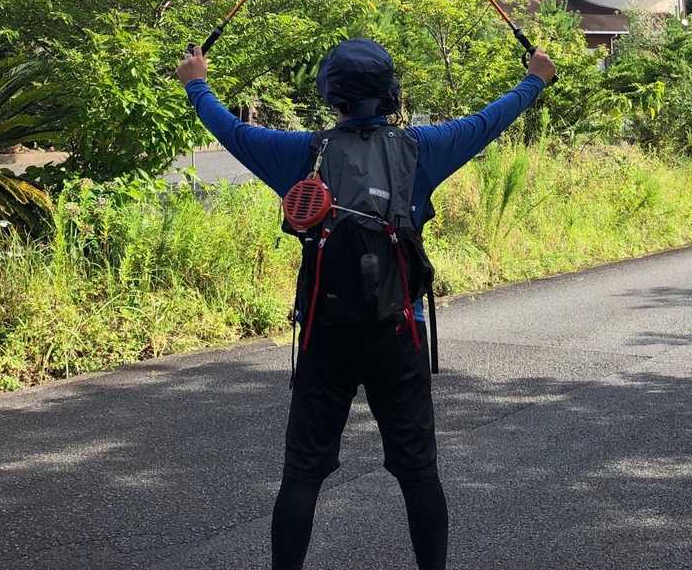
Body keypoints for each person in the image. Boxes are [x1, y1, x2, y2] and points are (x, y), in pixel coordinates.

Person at [176, 37, 555, 570]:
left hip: (324, 332)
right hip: (399, 330)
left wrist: (196, 82)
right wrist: (535, 78)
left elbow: (231, 132)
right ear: (389, 92)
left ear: (330, 94)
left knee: (302, 474)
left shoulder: (301, 153)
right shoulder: (421, 148)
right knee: (418, 472)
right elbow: (488, 120)